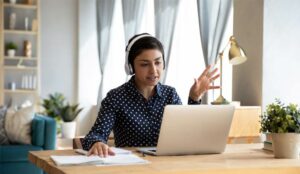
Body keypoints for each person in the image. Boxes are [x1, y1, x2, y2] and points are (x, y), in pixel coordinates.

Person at [82, 33, 220, 157]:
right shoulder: (115, 97)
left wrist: (194, 98)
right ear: (131, 67)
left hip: (168, 167)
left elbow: (188, 134)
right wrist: (97, 143)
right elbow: (95, 135)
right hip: (131, 168)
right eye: (144, 64)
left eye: (158, 62)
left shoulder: (170, 94)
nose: (153, 71)